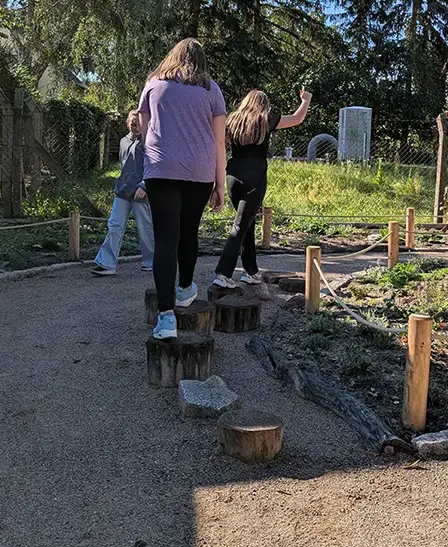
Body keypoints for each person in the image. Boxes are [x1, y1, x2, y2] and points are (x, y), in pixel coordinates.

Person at [139, 39, 226, 340]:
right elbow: (219, 142)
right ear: (201, 61)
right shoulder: (211, 90)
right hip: (200, 172)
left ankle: (166, 319)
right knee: (189, 232)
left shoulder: (153, 84)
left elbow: (145, 130)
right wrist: (220, 184)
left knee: (165, 240)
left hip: (161, 169)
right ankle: (186, 288)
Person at [212, 86, 311, 289]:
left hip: (232, 176)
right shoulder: (266, 119)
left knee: (246, 224)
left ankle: (251, 271)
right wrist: (305, 101)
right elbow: (297, 118)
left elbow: (219, 143)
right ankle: (223, 273)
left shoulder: (233, 120)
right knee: (240, 225)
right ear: (264, 105)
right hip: (255, 177)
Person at [91, 110, 155, 275]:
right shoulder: (123, 142)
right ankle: (106, 263)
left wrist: (145, 186)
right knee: (114, 225)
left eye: (139, 124)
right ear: (128, 124)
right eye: (133, 124)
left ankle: (151, 261)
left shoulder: (149, 141)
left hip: (141, 192)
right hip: (123, 191)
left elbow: (153, 166)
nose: (136, 127)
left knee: (145, 228)